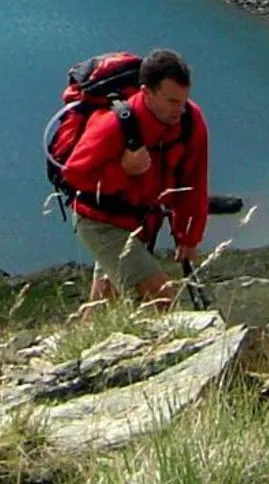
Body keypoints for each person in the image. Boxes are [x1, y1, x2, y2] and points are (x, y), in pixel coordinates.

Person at [58, 49, 209, 305]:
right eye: (172, 101)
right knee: (160, 298)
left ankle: (85, 341)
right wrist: (122, 171)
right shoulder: (114, 124)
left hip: (140, 223)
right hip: (100, 222)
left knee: (107, 305)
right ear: (146, 92)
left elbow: (194, 183)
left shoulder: (191, 122)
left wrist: (189, 237)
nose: (180, 109)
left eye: (184, 100)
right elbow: (73, 177)